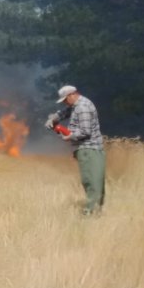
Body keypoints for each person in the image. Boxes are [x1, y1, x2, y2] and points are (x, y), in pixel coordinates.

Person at [45, 85, 105, 215]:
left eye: (65, 100)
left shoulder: (82, 108)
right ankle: (97, 212)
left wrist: (69, 136)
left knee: (91, 182)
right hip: (91, 148)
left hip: (88, 149)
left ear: (72, 95)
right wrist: (53, 118)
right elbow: (65, 112)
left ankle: (90, 214)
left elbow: (85, 132)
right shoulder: (77, 105)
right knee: (95, 181)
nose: (65, 103)